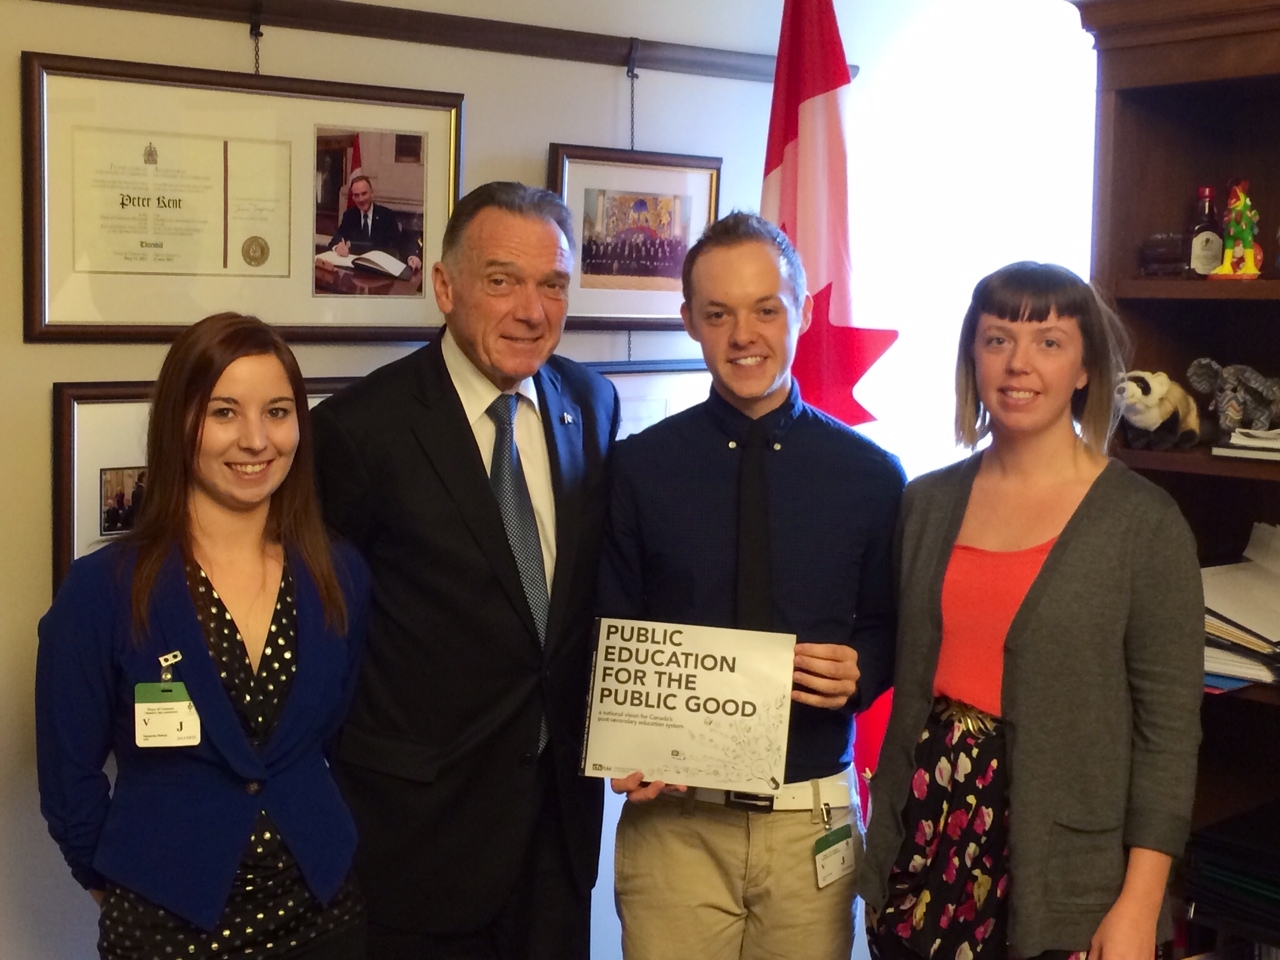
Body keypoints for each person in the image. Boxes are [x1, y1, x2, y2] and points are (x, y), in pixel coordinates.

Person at [312, 180, 621, 960]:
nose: (532, 310)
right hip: (417, 836)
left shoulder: (592, 402)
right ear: (445, 288)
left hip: (557, 831)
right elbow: (322, 637)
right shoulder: (359, 432)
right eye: (502, 281)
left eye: (553, 284)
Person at [859, 262, 1204, 960]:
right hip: (922, 841)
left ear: (1085, 368)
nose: (1019, 363)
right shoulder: (924, 503)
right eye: (997, 339)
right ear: (973, 357)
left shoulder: (1144, 524)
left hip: (1063, 871)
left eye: (1049, 342)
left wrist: (1141, 905)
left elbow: (1167, 736)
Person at [597, 212, 904, 960]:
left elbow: (894, 625)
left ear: (802, 311)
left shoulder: (872, 476)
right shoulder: (638, 469)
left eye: (766, 310)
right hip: (675, 823)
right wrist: (621, 739)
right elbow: (609, 624)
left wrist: (864, 669)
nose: (744, 336)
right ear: (689, 322)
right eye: (718, 314)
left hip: (811, 820)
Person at [36, 313, 372, 960]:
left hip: (323, 913)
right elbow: (68, 780)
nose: (255, 439)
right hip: (167, 925)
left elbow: (334, 734)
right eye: (224, 413)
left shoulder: (340, 574)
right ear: (178, 422)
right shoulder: (103, 590)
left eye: (277, 412)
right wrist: (128, 885)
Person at [326, 175, 423, 270]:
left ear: (372, 193)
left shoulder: (386, 215)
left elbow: (400, 243)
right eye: (356, 195)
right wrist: (337, 247)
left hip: (380, 270)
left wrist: (411, 256)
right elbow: (336, 239)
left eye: (364, 193)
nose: (361, 199)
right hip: (356, 270)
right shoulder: (350, 215)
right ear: (353, 198)